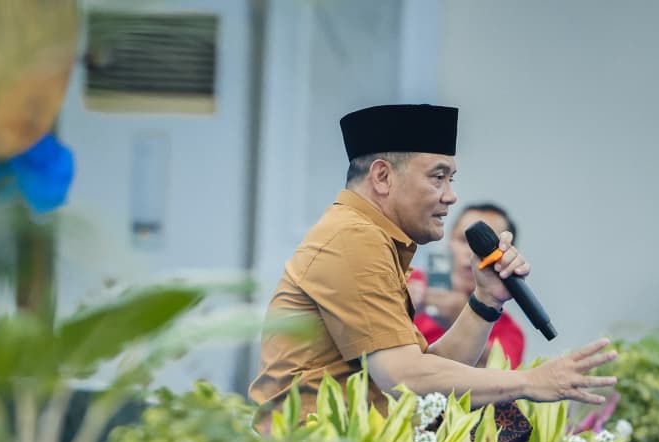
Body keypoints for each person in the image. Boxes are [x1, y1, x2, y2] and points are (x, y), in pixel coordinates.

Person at [248, 103, 615, 421]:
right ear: (382, 177)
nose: (451, 196)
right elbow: (404, 377)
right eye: (438, 177)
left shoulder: (369, 237)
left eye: (451, 179)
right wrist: (528, 382)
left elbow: (426, 372)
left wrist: (486, 299)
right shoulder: (353, 237)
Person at [410, 202, 525, 369]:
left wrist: (464, 318)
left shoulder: (509, 330)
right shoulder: (408, 281)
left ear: (507, 256)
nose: (472, 252)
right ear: (449, 242)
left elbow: (499, 374)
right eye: (464, 240)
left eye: (487, 246)